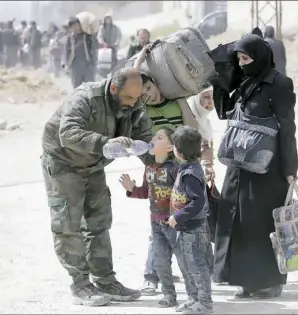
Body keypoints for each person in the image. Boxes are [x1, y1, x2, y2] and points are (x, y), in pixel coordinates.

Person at [41, 67, 153, 306]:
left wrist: (157, 159)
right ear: (113, 88)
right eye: (128, 98)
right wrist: (105, 143)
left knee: (99, 221)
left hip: (93, 165)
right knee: (68, 224)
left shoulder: (133, 103)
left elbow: (144, 135)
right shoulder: (84, 98)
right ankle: (80, 284)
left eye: (137, 98)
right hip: (64, 164)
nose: (133, 104)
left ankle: (105, 280)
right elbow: (68, 133)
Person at [213, 34, 298, 299]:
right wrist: (222, 75)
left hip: (268, 170)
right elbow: (224, 111)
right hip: (238, 166)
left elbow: (287, 130)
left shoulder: (280, 85)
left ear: (260, 58)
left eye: (246, 58)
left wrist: (290, 169)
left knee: (262, 224)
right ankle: (245, 280)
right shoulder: (243, 83)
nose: (241, 64)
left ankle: (269, 282)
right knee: (236, 221)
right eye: (239, 59)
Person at [133, 46, 215, 295]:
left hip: (181, 172)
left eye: (150, 88)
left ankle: (203, 272)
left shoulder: (177, 104)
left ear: (158, 83)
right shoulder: (143, 110)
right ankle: (152, 275)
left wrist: (180, 100)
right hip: (159, 174)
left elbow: (193, 129)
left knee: (190, 222)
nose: (148, 95)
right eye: (143, 92)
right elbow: (131, 81)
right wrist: (139, 59)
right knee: (159, 223)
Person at [120, 127, 181, 308]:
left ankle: (197, 295)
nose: (153, 138)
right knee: (161, 261)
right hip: (156, 223)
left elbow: (184, 195)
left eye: (159, 137)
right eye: (154, 136)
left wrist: (179, 216)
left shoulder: (175, 169)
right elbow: (146, 192)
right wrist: (131, 189)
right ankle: (169, 294)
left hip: (175, 223)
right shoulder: (149, 168)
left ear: (170, 148)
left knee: (185, 260)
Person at [169, 125, 213, 314]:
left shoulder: (191, 174)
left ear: (178, 152)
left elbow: (198, 202)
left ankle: (204, 302)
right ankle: (193, 298)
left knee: (196, 265)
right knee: (186, 264)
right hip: (184, 228)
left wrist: (178, 216)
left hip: (193, 229)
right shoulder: (185, 168)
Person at [63, 16, 97, 89]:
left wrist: (92, 33)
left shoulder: (87, 36)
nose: (74, 27)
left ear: (79, 25)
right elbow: (66, 52)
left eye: (76, 24)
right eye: (72, 26)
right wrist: (66, 64)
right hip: (75, 67)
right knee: (77, 89)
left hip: (87, 66)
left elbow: (94, 47)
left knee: (90, 88)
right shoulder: (70, 39)